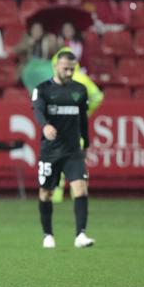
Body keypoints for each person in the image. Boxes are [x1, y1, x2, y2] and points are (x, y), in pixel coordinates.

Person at [32, 51, 95, 249]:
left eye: (72, 69)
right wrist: (45, 126)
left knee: (80, 189)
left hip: (73, 150)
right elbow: (38, 111)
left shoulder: (80, 90)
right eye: (65, 68)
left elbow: (83, 119)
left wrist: (87, 143)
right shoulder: (42, 89)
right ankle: (48, 234)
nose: (69, 72)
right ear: (56, 66)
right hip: (50, 151)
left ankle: (80, 235)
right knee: (45, 193)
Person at [49, 46, 104, 203]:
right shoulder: (81, 78)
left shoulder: (55, 80)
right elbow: (98, 97)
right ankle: (78, 193)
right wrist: (86, 112)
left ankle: (56, 194)